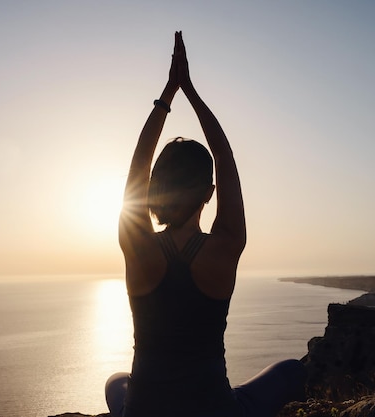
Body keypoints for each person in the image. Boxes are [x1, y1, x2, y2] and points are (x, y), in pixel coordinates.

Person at [105, 31, 306, 417]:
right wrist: (192, 93)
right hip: (217, 410)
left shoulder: (138, 247)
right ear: (209, 193)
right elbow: (225, 157)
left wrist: (167, 96)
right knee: (293, 371)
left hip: (145, 411)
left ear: (152, 192)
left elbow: (138, 163)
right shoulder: (225, 245)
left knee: (116, 384)